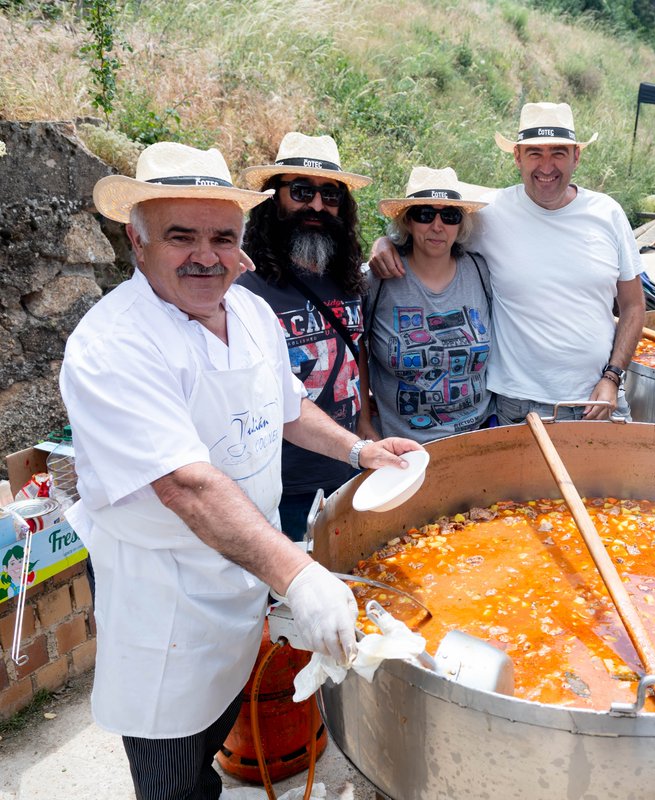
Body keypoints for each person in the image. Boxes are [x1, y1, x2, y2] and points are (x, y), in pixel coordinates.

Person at [59, 142, 424, 799]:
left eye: (222, 238)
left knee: (227, 713)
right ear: (137, 239)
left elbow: (288, 407)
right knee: (175, 775)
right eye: (181, 236)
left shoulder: (250, 311)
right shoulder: (114, 346)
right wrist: (298, 574)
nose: (206, 256)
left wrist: (358, 451)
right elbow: (185, 485)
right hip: (167, 600)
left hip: (241, 575)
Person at [370, 102, 647, 424]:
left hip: (601, 399)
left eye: (558, 153)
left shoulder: (608, 213)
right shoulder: (491, 212)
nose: (546, 166)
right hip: (521, 406)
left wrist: (612, 376)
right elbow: (429, 221)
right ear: (517, 156)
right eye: (534, 153)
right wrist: (385, 242)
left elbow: (633, 306)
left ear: (576, 156)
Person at [237, 132, 372, 540]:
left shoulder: (349, 276)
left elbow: (357, 354)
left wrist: (366, 429)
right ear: (273, 198)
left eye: (330, 195)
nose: (316, 205)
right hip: (284, 485)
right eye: (301, 191)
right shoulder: (244, 287)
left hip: (348, 468)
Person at [359, 167, 493, 441]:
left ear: (461, 223)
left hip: (477, 436)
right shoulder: (377, 278)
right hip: (402, 445)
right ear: (407, 221)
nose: (437, 226)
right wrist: (363, 421)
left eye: (450, 216)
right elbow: (355, 345)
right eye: (425, 214)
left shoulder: (480, 271)